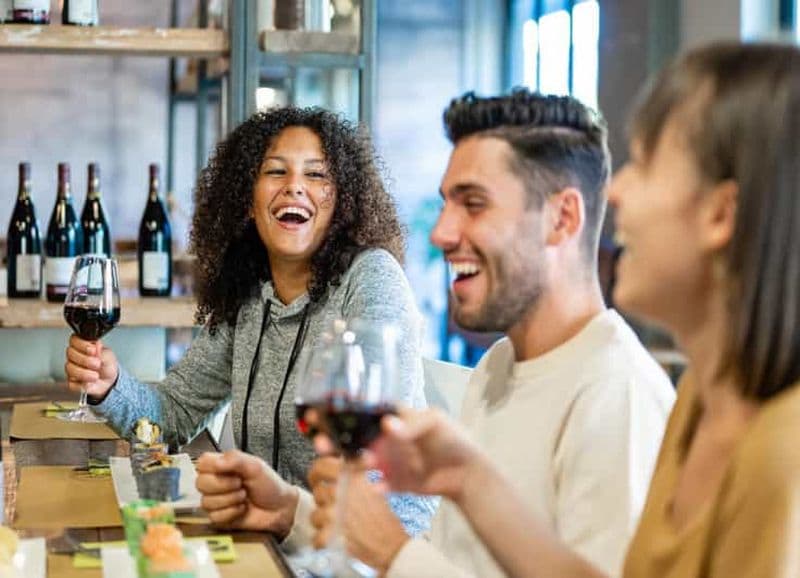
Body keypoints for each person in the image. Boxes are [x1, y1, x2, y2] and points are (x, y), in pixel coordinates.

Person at [325, 42, 800, 578]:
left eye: (644, 164)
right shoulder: (697, 403)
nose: (615, 191)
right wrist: (465, 478)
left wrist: (398, 551)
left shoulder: (776, 452)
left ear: (721, 214)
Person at [306, 89, 676, 578]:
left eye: (473, 204)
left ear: (561, 219)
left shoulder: (617, 391)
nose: (440, 232)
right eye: (446, 205)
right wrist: (292, 510)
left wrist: (397, 554)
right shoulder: (498, 367)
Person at [63, 106, 432, 535]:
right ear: (247, 198)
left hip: (367, 546)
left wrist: (293, 528)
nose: (295, 186)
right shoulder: (251, 294)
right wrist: (110, 384)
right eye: (276, 172)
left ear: (343, 198)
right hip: (272, 537)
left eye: (316, 175)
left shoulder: (371, 279)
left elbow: (372, 455)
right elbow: (172, 416)